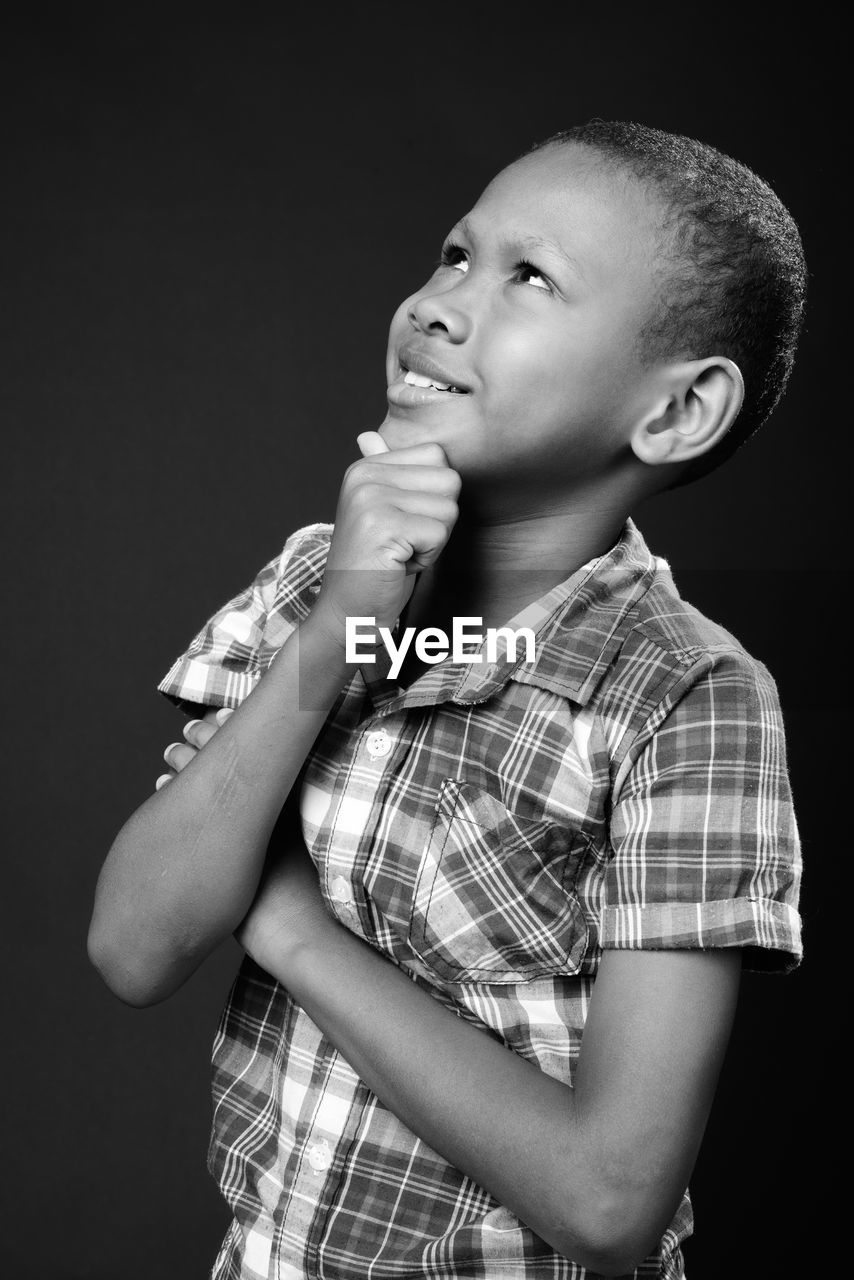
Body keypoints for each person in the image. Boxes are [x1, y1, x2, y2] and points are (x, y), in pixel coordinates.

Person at [88, 121, 805, 1279]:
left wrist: (287, 929)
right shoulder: (321, 581)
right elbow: (132, 947)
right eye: (452, 254)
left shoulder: (688, 697)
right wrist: (334, 633)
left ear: (674, 412)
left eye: (528, 277)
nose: (435, 302)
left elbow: (610, 1199)